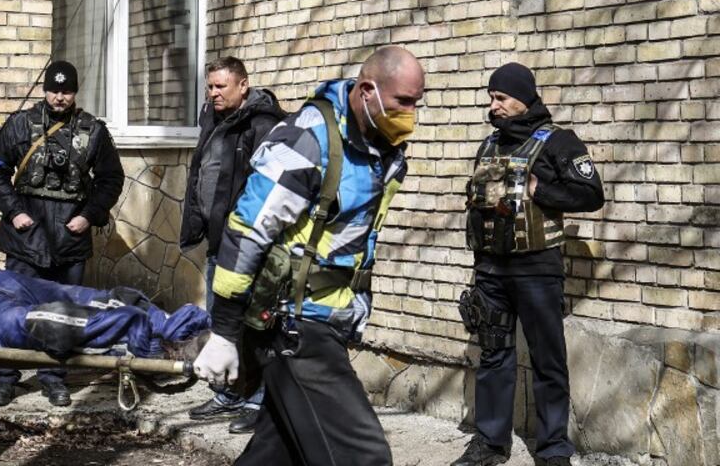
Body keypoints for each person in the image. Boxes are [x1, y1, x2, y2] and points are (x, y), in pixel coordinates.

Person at [193, 45, 425, 465]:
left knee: (278, 453)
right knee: (363, 457)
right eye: (403, 102)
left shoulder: (381, 146)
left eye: (415, 103)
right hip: (294, 325)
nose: (410, 115)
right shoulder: (308, 139)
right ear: (367, 91)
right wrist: (224, 331)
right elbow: (248, 229)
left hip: (328, 320)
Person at [452, 63, 604, 466]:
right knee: (493, 355)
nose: (494, 105)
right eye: (491, 97)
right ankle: (490, 443)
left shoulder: (557, 141)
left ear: (523, 97)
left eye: (501, 97)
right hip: (491, 271)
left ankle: (553, 449)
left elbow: (592, 194)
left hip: (537, 270)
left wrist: (542, 189)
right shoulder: (490, 144)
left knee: (547, 360)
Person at [0, 59, 124, 407]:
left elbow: (111, 179)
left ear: (75, 92)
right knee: (13, 309)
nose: (60, 97)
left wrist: (89, 216)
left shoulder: (93, 131)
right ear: (45, 90)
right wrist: (14, 212)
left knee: (63, 312)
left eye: (67, 90)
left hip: (70, 236)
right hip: (25, 235)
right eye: (54, 90)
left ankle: (53, 377)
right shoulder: (19, 125)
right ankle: (5, 376)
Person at [180, 56, 283, 434]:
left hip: (248, 245)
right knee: (220, 319)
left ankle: (258, 399)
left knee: (253, 325)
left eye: (221, 86)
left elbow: (269, 188)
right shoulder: (213, 118)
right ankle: (227, 392)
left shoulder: (263, 124)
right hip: (217, 240)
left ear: (243, 85)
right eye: (210, 86)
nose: (213, 93)